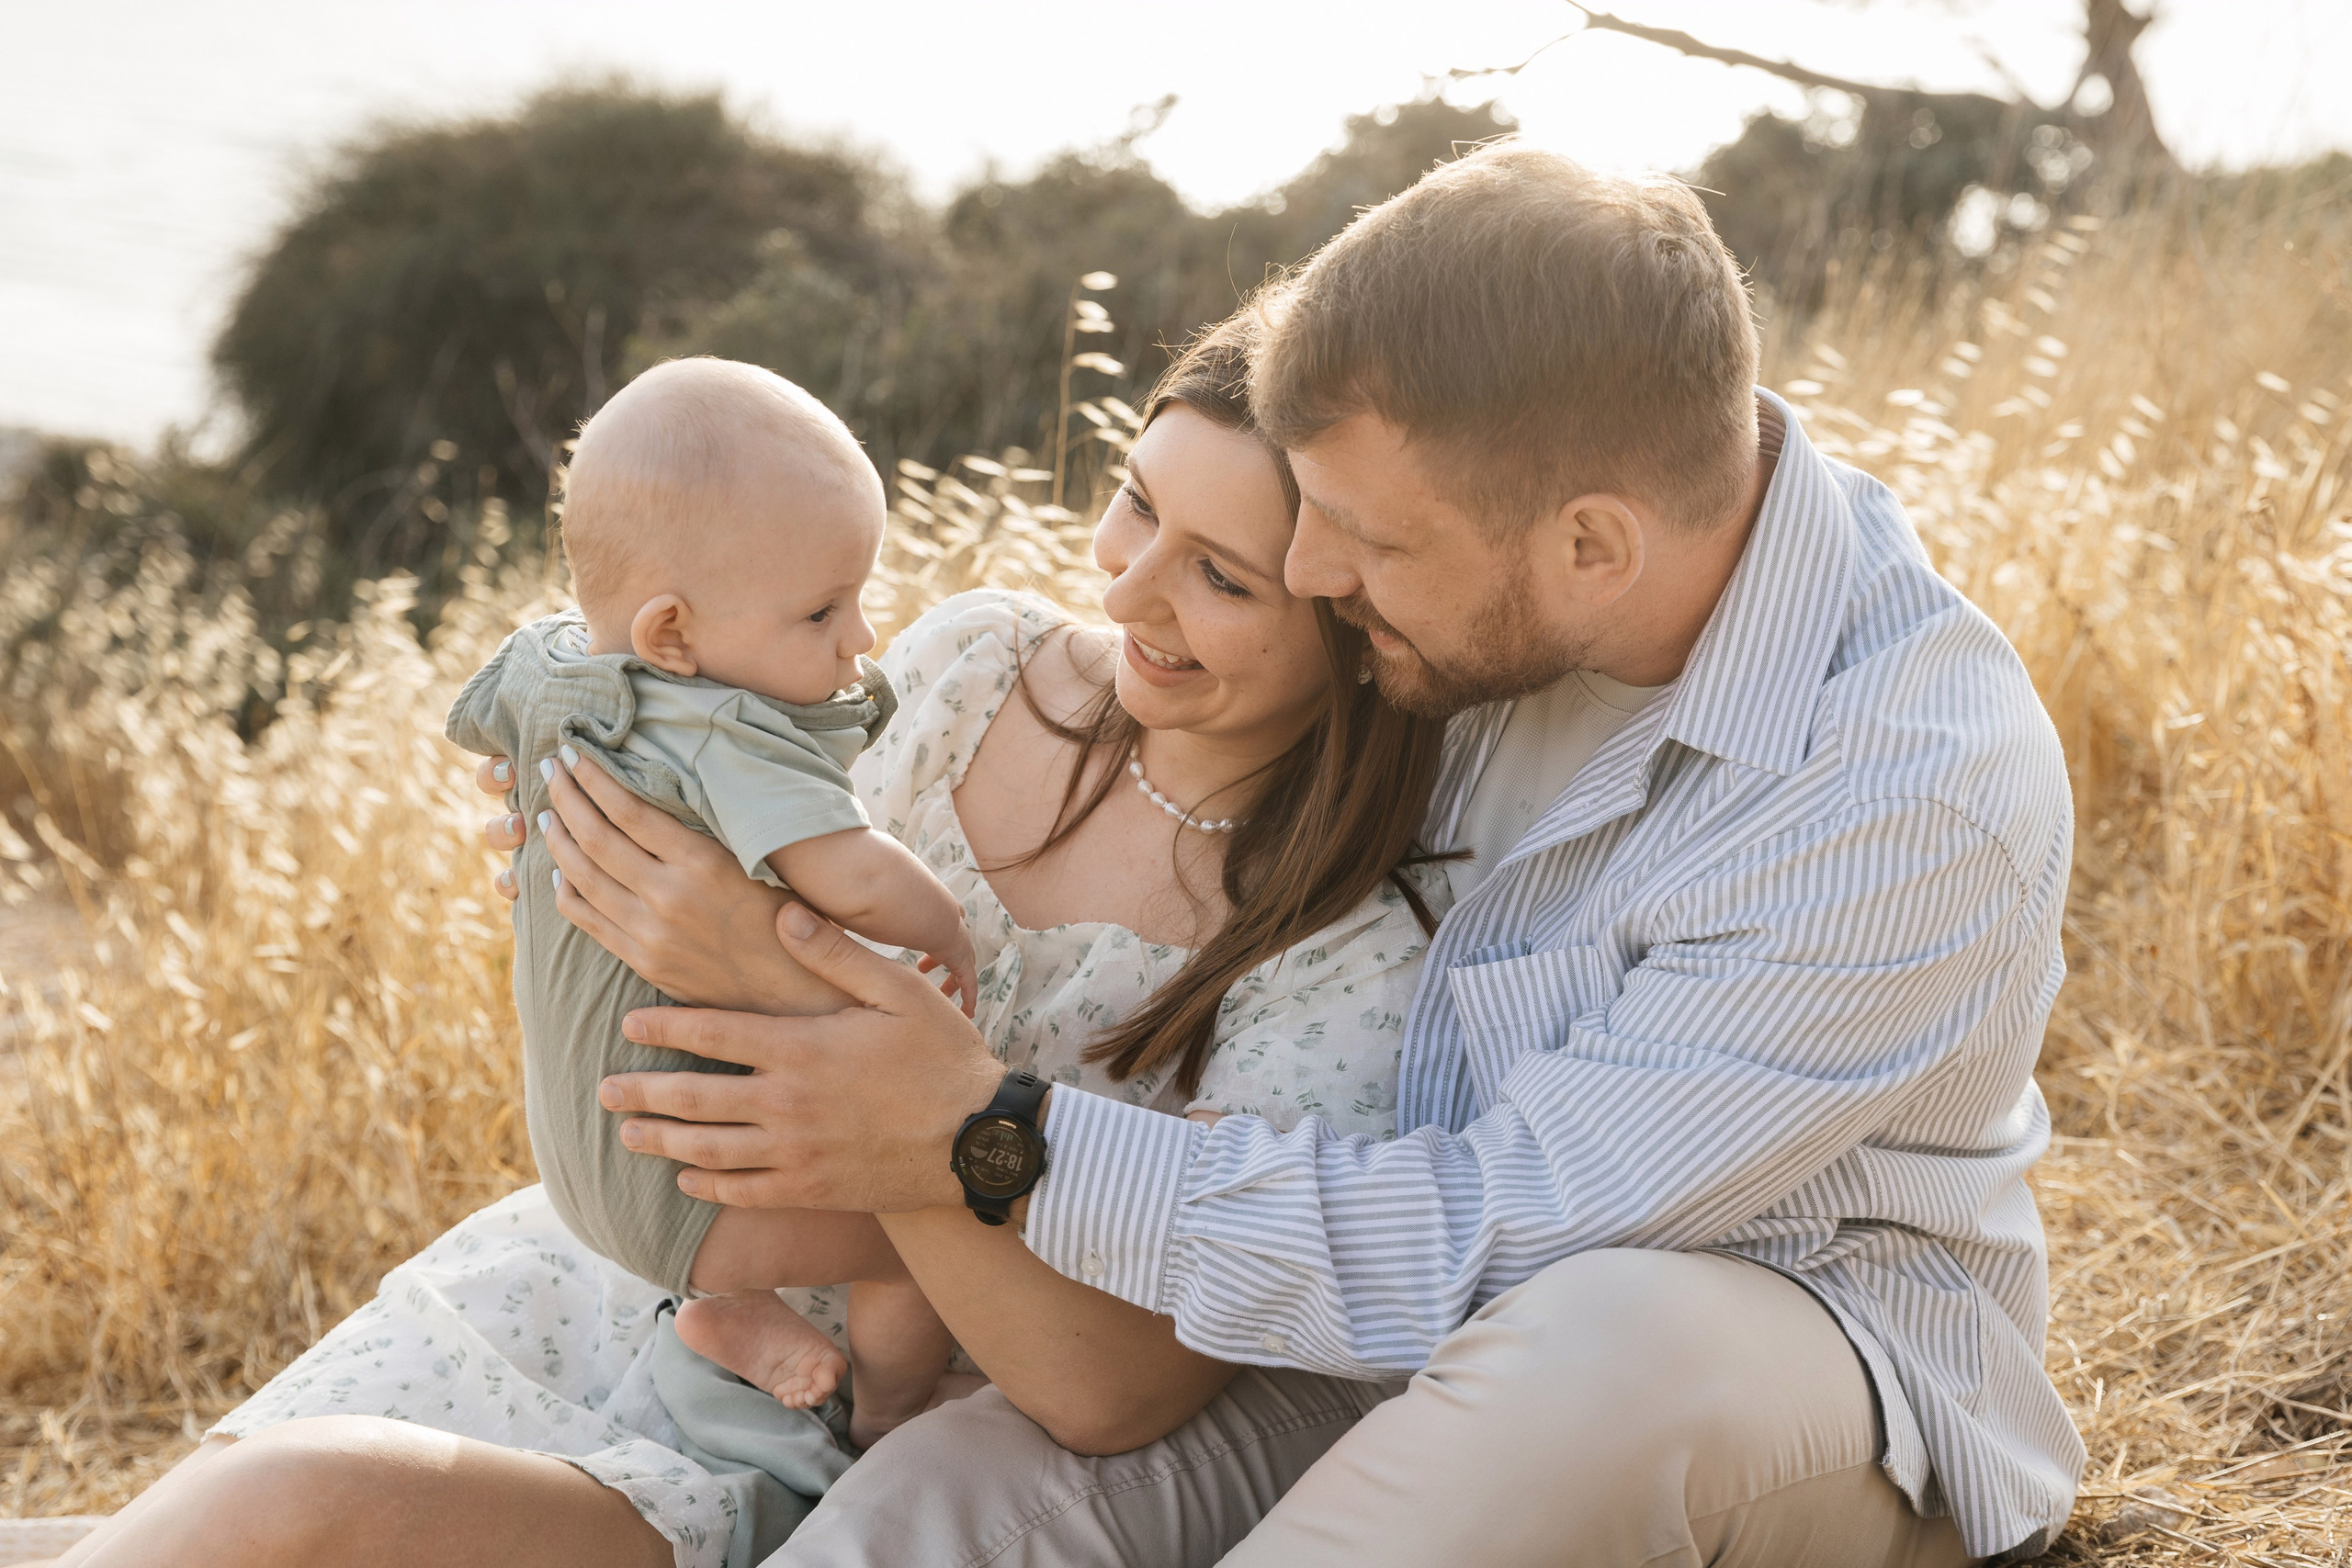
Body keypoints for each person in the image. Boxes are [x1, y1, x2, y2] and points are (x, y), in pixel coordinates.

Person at [514, 148, 2091, 1563]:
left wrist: (988, 1138)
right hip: (1332, 1307)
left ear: (1592, 544)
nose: (1317, 573)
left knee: (1603, 1348)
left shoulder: (1900, 793)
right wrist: (656, 762)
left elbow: (1502, 1233)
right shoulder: (1488, 599)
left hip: (1763, 1335)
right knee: (939, 1503)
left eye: (1368, 542)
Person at [41, 318, 1456, 1568]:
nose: (1130, 588)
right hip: (599, 1272)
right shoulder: (972, 669)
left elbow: (1108, 1393)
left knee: (288, 1511)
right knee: (189, 1516)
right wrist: (603, 855)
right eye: (1135, 504)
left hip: (787, 1424)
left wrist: (765, 967)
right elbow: (717, 786)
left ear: (1355, 611)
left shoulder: (1340, 959)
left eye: (1220, 575)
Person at [447, 355, 982, 1446]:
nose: (863, 638)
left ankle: (725, 1308)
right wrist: (942, 926)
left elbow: (482, 729)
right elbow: (853, 871)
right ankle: (873, 1425)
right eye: (824, 610)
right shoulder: (715, 726)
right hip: (685, 1185)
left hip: (578, 1147)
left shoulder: (545, 666)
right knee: (932, 1226)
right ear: (672, 637)